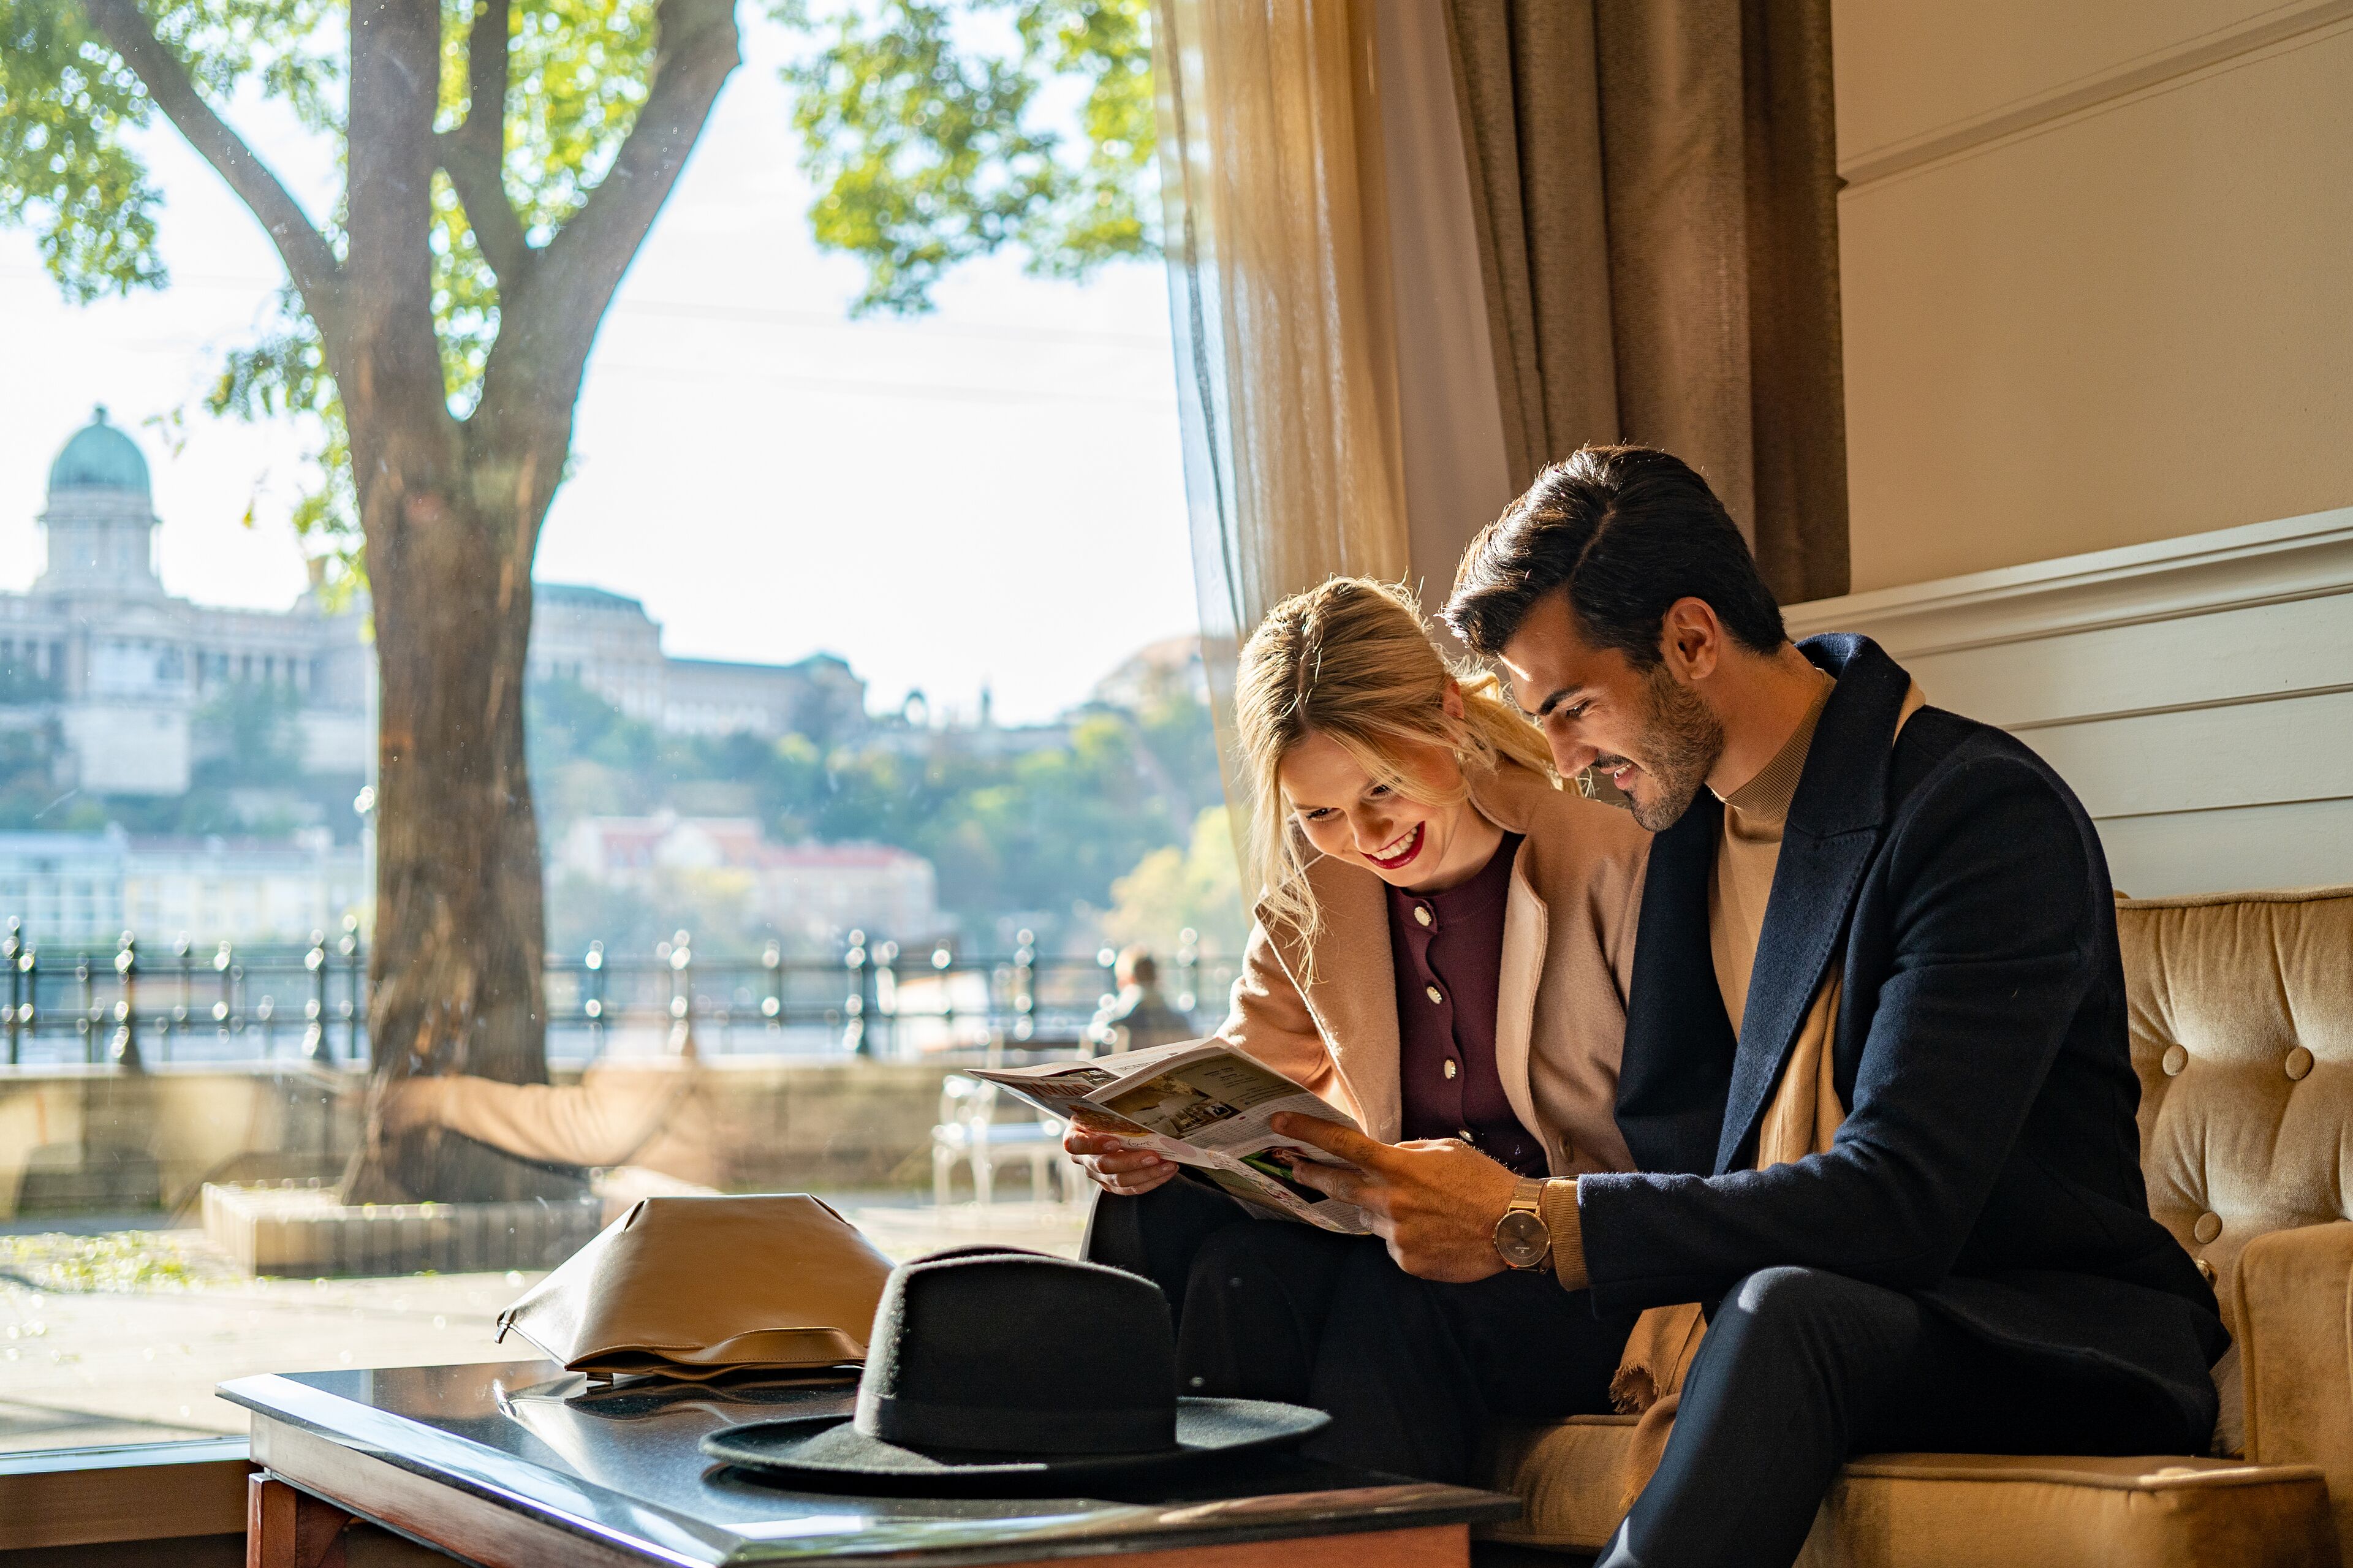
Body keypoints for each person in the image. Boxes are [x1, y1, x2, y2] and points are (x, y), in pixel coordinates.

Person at [1264, 446, 2224, 1568]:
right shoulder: (1687, 835)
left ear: (1690, 639)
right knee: (1413, 1299)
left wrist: (1532, 1216)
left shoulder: (1976, 813)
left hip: (2021, 1322)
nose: (1563, 762)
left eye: (1572, 708)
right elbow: (1687, 1139)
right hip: (1778, 1295)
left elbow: (1900, 1201)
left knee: (1789, 1309)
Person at [1071, 577, 1652, 1482]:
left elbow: (1683, 1145)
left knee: (1394, 1288)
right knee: (1189, 1234)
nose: (1367, 832)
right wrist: (1154, 1142)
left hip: (1565, 1257)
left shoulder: (1610, 861)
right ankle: (1152, 1522)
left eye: (1382, 784)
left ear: (1448, 714)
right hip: (1398, 1236)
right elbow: (1244, 1084)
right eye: (1321, 811)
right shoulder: (1314, 894)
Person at [1086, 946, 1196, 1053]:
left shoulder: (1115, 1022)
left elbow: (1094, 1037)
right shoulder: (1181, 1021)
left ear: (1125, 980)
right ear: (1157, 978)